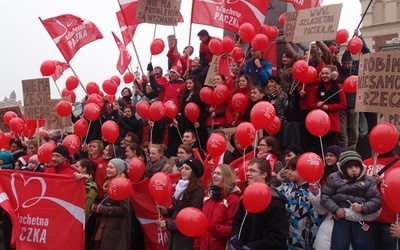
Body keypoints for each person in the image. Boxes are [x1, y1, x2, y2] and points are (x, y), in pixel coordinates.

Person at [321, 151, 382, 250]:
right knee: (339, 244)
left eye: (357, 167)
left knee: (364, 244)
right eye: (350, 167)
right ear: (344, 167)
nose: (354, 170)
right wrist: (335, 208)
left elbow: (376, 200)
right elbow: (325, 196)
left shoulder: (368, 180)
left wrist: (363, 208)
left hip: (361, 218)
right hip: (341, 217)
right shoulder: (333, 178)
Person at [229, 158, 288, 250]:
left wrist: (252, 247)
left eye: (252, 170)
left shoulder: (275, 201)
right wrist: (234, 237)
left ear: (264, 174)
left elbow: (277, 237)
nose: (247, 173)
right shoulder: (246, 196)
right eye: (248, 170)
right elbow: (237, 222)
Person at [157, 157, 204, 250]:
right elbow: (178, 210)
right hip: (176, 233)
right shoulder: (180, 185)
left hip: (186, 236)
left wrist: (168, 224)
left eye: (187, 169)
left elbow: (192, 217)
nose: (183, 171)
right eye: (182, 168)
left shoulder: (198, 190)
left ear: (194, 172)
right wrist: (166, 211)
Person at [277, 157, 323, 249]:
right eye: (289, 169)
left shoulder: (312, 192)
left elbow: (315, 219)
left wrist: (311, 241)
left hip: (302, 239)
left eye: (293, 170)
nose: (289, 172)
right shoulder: (285, 188)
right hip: (284, 235)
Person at [195, 164, 240, 250]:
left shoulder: (233, 200)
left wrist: (214, 228)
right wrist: (197, 246)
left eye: (219, 174)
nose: (214, 176)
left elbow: (232, 229)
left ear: (227, 177)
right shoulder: (207, 197)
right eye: (214, 173)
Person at [363, 146, 400, 250]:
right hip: (367, 220)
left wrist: (382, 183)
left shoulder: (398, 164)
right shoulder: (364, 163)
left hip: (390, 223)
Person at [91, 158, 131, 250]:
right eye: (107, 167)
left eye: (111, 167)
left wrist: (102, 209)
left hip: (116, 229)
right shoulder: (110, 183)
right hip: (107, 226)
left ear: (118, 170)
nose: (107, 169)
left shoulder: (122, 185)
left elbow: (124, 209)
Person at [310, 65, 347, 148]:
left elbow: (343, 104)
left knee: (332, 147)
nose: (324, 75)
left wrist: (329, 107)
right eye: (322, 73)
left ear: (333, 74)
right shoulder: (317, 88)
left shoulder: (339, 87)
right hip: (319, 123)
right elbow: (311, 105)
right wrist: (317, 105)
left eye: (327, 73)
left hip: (332, 123)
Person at [74, 158, 97, 223]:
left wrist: (80, 221)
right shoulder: (74, 180)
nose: (75, 168)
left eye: (77, 166)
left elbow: (87, 208)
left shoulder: (91, 187)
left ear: (84, 169)